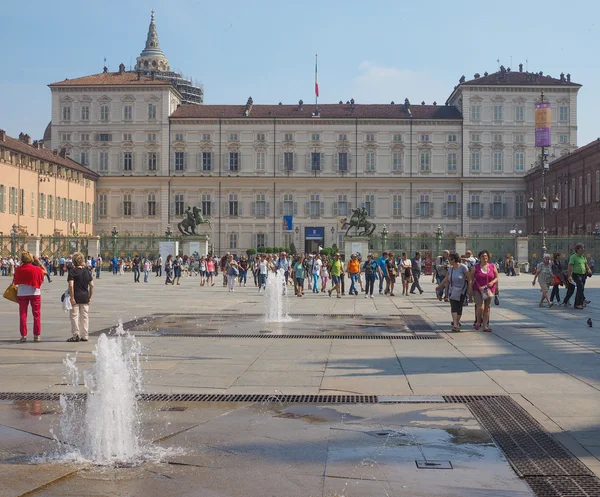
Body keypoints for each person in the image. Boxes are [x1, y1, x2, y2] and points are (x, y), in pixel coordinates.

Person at [13, 252, 46, 342]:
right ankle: (36, 335)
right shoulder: (37, 269)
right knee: (36, 315)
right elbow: (45, 272)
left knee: (23, 315)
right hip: (35, 293)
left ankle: (23, 335)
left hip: (22, 293)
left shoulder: (18, 269)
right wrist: (38, 261)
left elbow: (15, 280)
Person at [436, 253, 471, 332]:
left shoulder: (463, 267)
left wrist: (470, 289)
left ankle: (457, 322)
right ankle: (455, 324)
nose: (449, 261)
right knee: (454, 306)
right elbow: (446, 279)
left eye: (450, 259)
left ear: (454, 260)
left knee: (459, 307)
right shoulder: (450, 269)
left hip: (462, 290)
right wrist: (438, 287)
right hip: (453, 290)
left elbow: (469, 278)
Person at [67, 252, 94, 342]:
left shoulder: (72, 272)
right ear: (82, 260)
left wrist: (72, 298)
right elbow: (92, 285)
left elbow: (71, 285)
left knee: (74, 316)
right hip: (85, 297)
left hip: (76, 296)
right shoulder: (87, 271)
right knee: (85, 316)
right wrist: (90, 297)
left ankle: (76, 335)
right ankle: (85, 335)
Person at [470, 250, 498, 332]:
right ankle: (478, 322)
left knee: (487, 308)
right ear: (479, 258)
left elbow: (496, 277)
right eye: (483, 256)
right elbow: (471, 279)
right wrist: (470, 289)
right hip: (477, 289)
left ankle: (485, 326)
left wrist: (492, 283)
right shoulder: (475, 267)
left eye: (486, 256)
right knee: (480, 306)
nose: (485, 257)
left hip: (489, 289)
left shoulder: (492, 266)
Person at [563, 243, 591, 309]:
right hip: (576, 275)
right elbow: (570, 266)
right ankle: (577, 304)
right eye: (581, 248)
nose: (583, 249)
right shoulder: (573, 257)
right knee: (580, 288)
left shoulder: (583, 256)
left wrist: (589, 269)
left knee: (577, 289)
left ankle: (568, 301)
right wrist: (569, 276)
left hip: (583, 275)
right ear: (577, 249)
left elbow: (585, 264)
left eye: (583, 248)